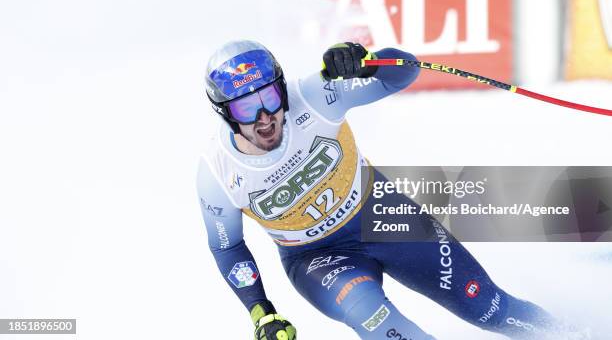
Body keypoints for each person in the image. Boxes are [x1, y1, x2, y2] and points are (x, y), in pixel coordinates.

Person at [198, 40, 574, 340]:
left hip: (381, 214)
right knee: (374, 318)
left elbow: (406, 72)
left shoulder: (314, 95)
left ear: (282, 88)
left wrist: (371, 62)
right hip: (316, 258)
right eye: (247, 107)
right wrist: (260, 310)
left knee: (487, 307)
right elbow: (227, 245)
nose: (264, 117)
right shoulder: (217, 173)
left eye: (269, 98)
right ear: (225, 113)